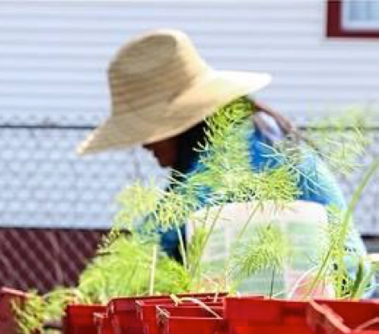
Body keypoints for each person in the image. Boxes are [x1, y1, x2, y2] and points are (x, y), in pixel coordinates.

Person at [78, 29, 367, 268]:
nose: (144, 143)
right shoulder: (214, 150)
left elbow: (161, 237)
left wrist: (108, 274)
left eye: (150, 130)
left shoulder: (240, 151)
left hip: (329, 307)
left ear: (183, 122)